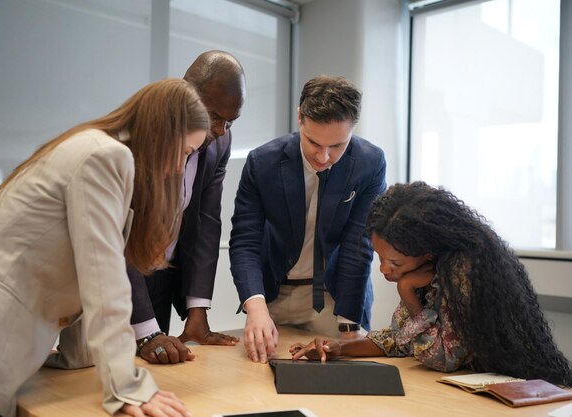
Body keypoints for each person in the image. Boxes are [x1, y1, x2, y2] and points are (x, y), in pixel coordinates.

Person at [0, 78, 209, 417]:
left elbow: (83, 269)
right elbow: (104, 282)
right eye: (185, 153)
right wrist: (127, 387)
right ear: (163, 131)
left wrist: (78, 358)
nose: (178, 169)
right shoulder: (106, 157)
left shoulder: (99, 148)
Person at [290, 181, 572, 387]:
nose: (384, 270)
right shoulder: (426, 269)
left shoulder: (464, 270)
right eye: (379, 257)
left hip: (512, 392)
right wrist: (339, 349)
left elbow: (442, 357)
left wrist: (407, 294)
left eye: (395, 263)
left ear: (426, 252)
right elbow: (404, 339)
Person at [229, 75, 387, 363]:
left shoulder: (370, 163)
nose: (324, 157)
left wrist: (350, 327)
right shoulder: (262, 162)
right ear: (300, 118)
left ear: (353, 128)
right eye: (314, 142)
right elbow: (245, 241)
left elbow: (358, 243)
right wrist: (255, 307)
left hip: (336, 297)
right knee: (260, 380)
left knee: (340, 390)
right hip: (275, 294)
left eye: (337, 146)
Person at [128, 50, 246, 365]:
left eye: (231, 121)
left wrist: (198, 311)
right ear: (186, 96)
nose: (222, 130)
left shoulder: (220, 141)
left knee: (157, 371)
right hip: (119, 275)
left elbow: (206, 223)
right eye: (215, 116)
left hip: (164, 274)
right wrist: (146, 332)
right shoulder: (139, 135)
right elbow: (118, 239)